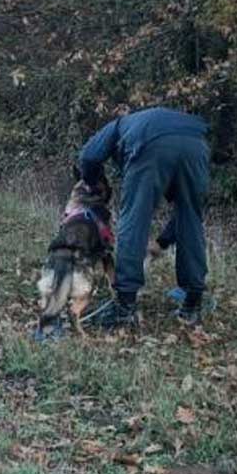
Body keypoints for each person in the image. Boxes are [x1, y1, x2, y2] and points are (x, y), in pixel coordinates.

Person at [78, 107, 211, 329]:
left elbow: (88, 157)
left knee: (134, 218)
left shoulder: (117, 126)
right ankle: (192, 303)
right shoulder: (145, 122)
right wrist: (162, 242)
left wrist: (93, 186)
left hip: (149, 142)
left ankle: (125, 306)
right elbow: (183, 216)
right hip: (197, 144)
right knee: (191, 217)